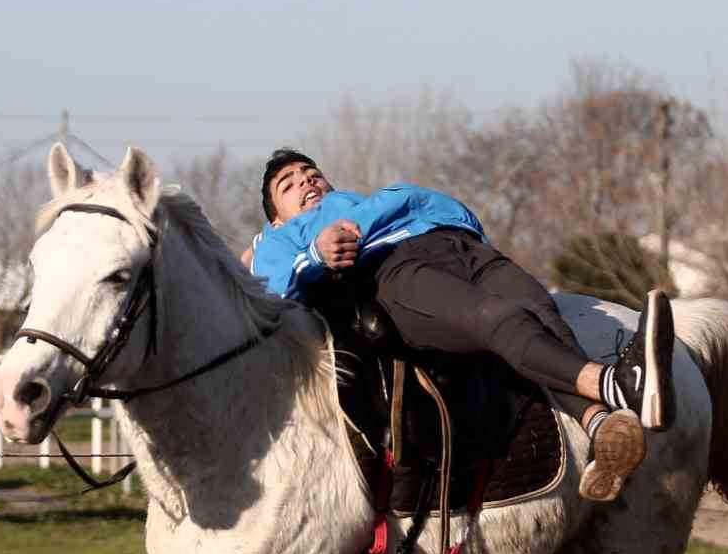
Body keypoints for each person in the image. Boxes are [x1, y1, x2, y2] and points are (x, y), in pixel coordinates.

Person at [243, 149, 675, 503]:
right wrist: (316, 254)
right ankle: (619, 384)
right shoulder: (281, 239)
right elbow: (275, 289)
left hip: (461, 244)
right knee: (498, 319)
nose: (305, 180)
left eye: (310, 172)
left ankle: (600, 425)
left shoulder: (362, 201)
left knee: (542, 312)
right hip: (393, 267)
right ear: (276, 217)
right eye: (288, 184)